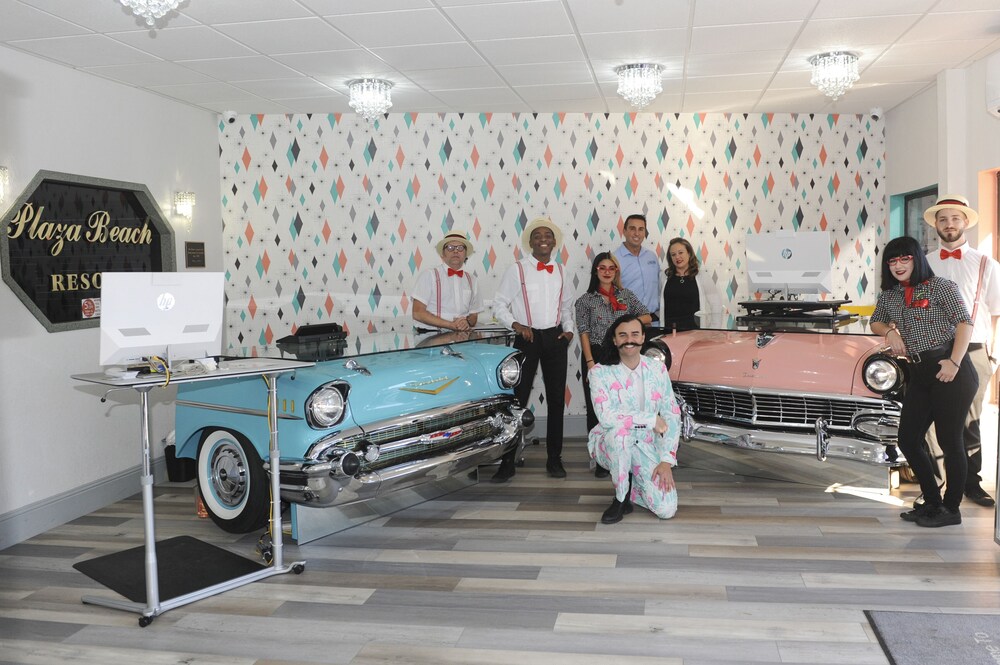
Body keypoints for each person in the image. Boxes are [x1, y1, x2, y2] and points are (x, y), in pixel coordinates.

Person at [869, 236, 978, 528]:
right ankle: (931, 501)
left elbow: (965, 322)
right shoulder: (890, 295)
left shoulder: (941, 286)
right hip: (919, 373)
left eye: (905, 258)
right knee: (908, 438)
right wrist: (890, 333)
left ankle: (951, 509)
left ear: (917, 259)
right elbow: (875, 321)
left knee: (950, 440)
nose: (898, 265)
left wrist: (954, 362)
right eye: (892, 260)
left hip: (950, 368)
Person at [924, 194, 1000, 508]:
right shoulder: (925, 262)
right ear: (936, 225)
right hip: (933, 349)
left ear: (965, 222)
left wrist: (994, 355)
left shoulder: (987, 264)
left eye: (955, 218)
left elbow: (996, 313)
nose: (949, 224)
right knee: (931, 418)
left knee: (971, 419)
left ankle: (972, 483)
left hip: (975, 349)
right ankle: (937, 484)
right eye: (943, 219)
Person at [492, 217, 575, 481]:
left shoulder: (562, 271)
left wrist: (569, 330)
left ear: (554, 242)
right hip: (526, 338)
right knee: (517, 401)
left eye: (548, 235)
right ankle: (508, 461)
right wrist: (516, 324)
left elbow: (566, 308)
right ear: (530, 242)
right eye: (537, 235)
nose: (543, 239)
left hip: (554, 338)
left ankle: (555, 459)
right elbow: (499, 305)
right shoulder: (517, 269)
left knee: (556, 401)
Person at [587, 314, 681, 524]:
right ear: (614, 339)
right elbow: (606, 416)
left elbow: (672, 413)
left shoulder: (657, 369)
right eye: (623, 335)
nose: (629, 339)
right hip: (609, 441)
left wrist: (666, 460)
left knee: (667, 509)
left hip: (646, 444)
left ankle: (634, 486)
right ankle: (620, 499)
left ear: (643, 338)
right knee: (621, 435)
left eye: (634, 334)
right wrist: (649, 419)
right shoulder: (599, 373)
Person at [575, 252, 651, 477]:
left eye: (612, 268)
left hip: (621, 354)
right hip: (596, 353)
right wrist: (590, 363)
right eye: (602, 268)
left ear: (616, 271)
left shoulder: (625, 295)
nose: (607, 272)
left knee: (622, 402)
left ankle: (626, 452)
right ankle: (600, 458)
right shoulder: (585, 300)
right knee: (596, 407)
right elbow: (584, 333)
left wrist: (626, 322)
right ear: (595, 271)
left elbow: (647, 316)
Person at [412, 232, 482, 331]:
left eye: (460, 248)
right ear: (443, 254)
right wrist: (450, 325)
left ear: (465, 254)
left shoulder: (472, 280)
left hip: (461, 337)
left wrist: (466, 321)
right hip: (429, 337)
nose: (455, 251)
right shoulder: (428, 276)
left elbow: (474, 317)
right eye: (450, 248)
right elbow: (418, 313)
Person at [661, 237, 724, 331]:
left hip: (695, 334)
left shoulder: (702, 276)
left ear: (689, 253)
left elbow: (716, 306)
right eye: (673, 254)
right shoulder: (664, 277)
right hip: (669, 333)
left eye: (681, 252)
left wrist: (713, 332)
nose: (677, 257)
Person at [615, 213, 661, 322]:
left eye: (641, 229)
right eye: (632, 229)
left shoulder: (652, 257)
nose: (637, 233)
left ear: (645, 232)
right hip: (627, 322)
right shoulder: (614, 259)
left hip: (653, 321)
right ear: (624, 231)